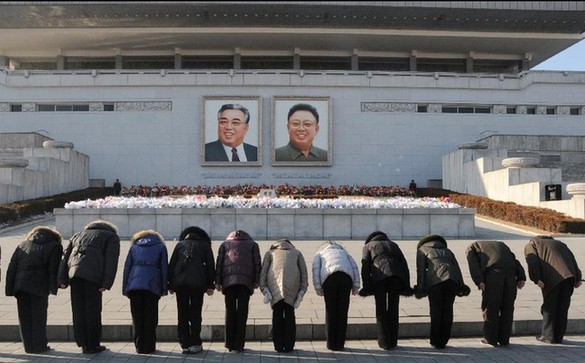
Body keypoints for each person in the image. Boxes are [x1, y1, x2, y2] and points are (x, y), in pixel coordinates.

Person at [58, 220, 120, 354]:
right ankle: (93, 344)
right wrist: (106, 283)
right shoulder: (111, 236)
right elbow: (111, 261)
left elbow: (65, 257)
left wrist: (62, 279)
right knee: (93, 311)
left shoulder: (78, 234)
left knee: (78, 310)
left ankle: (83, 343)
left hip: (74, 275)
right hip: (93, 277)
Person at [5, 226, 63, 353]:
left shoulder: (23, 244)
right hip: (39, 285)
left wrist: (10, 288)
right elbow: (53, 268)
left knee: (24, 317)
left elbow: (12, 266)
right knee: (39, 317)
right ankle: (40, 346)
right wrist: (55, 286)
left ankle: (28, 346)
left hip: (20, 285)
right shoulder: (55, 245)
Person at [465, 240, 526, 347]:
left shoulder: (472, 247)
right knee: (507, 308)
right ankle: (504, 339)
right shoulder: (502, 245)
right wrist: (521, 277)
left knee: (491, 308)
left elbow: (473, 265)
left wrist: (479, 281)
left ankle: (490, 339)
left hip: (493, 276)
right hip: (511, 277)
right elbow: (515, 261)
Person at [414, 234, 470, 349]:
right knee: (448, 310)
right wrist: (461, 285)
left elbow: (421, 271)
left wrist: (420, 288)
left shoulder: (422, 250)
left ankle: (435, 341)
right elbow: (457, 269)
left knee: (436, 311)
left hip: (436, 282)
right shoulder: (448, 251)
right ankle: (444, 340)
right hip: (452, 281)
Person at [524, 235, 582, 344]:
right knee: (562, 307)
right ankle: (558, 336)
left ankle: (548, 336)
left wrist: (537, 278)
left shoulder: (532, 244)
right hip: (569, 277)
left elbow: (532, 262)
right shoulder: (560, 244)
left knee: (549, 307)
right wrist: (578, 277)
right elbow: (572, 259)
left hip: (552, 278)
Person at [359, 231, 412, 350]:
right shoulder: (393, 245)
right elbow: (404, 264)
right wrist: (406, 285)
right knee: (394, 308)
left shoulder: (368, 246)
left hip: (379, 277)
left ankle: (384, 342)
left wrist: (367, 287)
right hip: (396, 277)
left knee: (381, 309)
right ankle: (393, 341)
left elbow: (365, 267)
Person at [168, 226, 215, 355]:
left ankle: (184, 343)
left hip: (180, 284)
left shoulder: (180, 245)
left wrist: (170, 285)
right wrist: (211, 285)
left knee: (182, 313)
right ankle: (195, 342)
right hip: (198, 284)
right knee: (195, 312)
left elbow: (172, 265)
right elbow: (210, 266)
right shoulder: (205, 245)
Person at [122, 229, 168, 354]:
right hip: (152, 285)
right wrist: (164, 288)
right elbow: (164, 268)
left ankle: (139, 346)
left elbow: (127, 267)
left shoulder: (134, 247)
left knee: (137, 317)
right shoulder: (160, 247)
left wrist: (125, 287)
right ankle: (149, 346)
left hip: (134, 286)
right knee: (151, 317)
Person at [215, 230, 261, 353]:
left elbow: (219, 263)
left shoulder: (224, 244)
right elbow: (257, 263)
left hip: (228, 282)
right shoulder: (252, 245)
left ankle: (229, 344)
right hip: (245, 283)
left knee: (230, 312)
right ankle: (239, 344)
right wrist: (257, 280)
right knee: (242, 312)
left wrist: (218, 281)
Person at [259, 238, 308, 353]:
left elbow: (264, 272)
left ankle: (278, 345)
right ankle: (289, 345)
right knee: (290, 315)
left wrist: (264, 288)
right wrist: (302, 290)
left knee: (277, 315)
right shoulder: (297, 253)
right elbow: (304, 273)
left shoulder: (270, 253)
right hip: (292, 286)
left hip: (274, 285)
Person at [312, 240, 360, 351]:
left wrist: (318, 288)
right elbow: (354, 268)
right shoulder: (345, 253)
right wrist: (356, 286)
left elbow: (315, 271)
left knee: (331, 310)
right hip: (346, 278)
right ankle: (340, 343)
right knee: (343, 311)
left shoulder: (319, 254)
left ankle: (331, 344)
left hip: (329, 279)